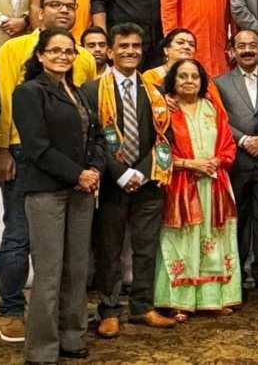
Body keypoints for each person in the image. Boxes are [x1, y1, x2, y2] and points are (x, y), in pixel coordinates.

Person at [0, 0, 98, 344]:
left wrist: (88, 167)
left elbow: (88, 119)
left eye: (69, 6)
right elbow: (5, 103)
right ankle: (11, 310)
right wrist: (0, 148)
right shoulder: (14, 51)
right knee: (20, 237)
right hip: (26, 157)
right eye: (54, 5)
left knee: (70, 256)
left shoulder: (84, 61)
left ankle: (67, 325)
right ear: (39, 11)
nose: (63, 10)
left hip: (74, 169)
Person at [79, 24, 178, 338]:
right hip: (110, 183)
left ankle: (142, 306)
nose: (130, 51)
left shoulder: (155, 90)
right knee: (108, 249)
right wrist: (121, 172)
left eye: (136, 46)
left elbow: (164, 136)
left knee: (146, 248)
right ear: (110, 51)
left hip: (148, 182)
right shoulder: (92, 90)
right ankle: (109, 311)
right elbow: (91, 141)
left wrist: (143, 171)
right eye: (123, 46)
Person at [12, 28, 103, 365]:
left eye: (68, 51)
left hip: (81, 191)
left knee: (77, 269)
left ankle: (72, 337)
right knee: (49, 273)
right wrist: (77, 174)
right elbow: (37, 147)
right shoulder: (28, 92)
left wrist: (94, 169)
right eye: (55, 50)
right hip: (47, 192)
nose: (62, 56)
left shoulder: (78, 92)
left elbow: (97, 137)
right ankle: (42, 350)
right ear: (40, 55)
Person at [155, 58, 241, 316]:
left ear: (202, 81)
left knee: (214, 242)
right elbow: (159, 150)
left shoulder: (212, 107)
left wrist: (217, 161)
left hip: (214, 185)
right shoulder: (164, 110)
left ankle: (213, 300)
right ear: (173, 80)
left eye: (194, 76)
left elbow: (228, 144)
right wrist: (189, 164)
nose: (189, 81)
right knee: (181, 242)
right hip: (181, 186)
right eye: (183, 76)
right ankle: (178, 302)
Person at [214, 30, 258, 297]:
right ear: (232, 51)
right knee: (238, 219)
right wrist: (243, 140)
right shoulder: (219, 82)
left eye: (253, 45)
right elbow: (219, 118)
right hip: (237, 159)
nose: (247, 50)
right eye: (241, 45)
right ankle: (236, 273)